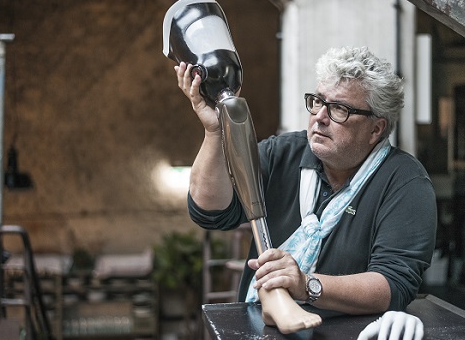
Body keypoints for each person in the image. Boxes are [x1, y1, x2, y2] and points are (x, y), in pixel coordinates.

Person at [175, 46, 436, 323]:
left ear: (376, 129)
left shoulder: (405, 182)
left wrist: (306, 284)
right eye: (317, 102)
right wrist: (215, 130)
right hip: (261, 334)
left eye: (339, 109)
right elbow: (211, 211)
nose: (320, 117)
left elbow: (392, 286)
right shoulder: (282, 154)